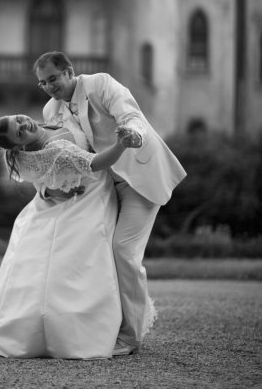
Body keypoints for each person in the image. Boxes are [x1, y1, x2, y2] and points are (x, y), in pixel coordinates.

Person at [34, 51, 187, 356]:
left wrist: (133, 134)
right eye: (43, 83)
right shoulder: (50, 110)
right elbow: (57, 154)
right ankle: (104, 326)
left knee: (123, 251)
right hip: (100, 189)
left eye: (53, 78)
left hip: (138, 177)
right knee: (96, 253)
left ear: (69, 72)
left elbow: (130, 115)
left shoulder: (100, 84)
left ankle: (130, 336)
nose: (49, 87)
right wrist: (49, 188)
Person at [0, 114, 153, 359]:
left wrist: (49, 188)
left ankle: (52, 327)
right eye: (19, 133)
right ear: (18, 146)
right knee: (80, 263)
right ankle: (75, 332)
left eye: (18, 119)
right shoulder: (57, 149)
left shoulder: (37, 133)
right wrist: (120, 145)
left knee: (58, 263)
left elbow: (40, 175)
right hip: (89, 197)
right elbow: (96, 163)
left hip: (60, 203)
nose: (23, 125)